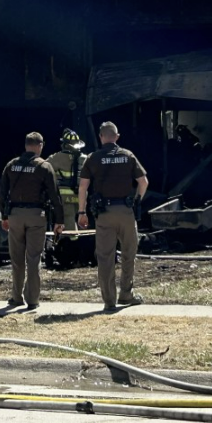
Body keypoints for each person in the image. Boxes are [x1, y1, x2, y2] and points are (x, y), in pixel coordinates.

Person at [77, 121, 148, 311]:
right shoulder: (128, 155)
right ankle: (126, 294)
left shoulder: (92, 158)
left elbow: (83, 186)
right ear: (117, 137)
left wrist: (82, 212)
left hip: (104, 213)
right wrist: (136, 202)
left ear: (101, 137)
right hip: (125, 211)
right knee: (128, 254)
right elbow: (143, 182)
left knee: (105, 257)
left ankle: (109, 301)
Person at [0, 132, 64, 310]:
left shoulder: (11, 165)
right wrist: (59, 220)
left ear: (26, 145)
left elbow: (3, 193)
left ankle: (16, 297)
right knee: (34, 258)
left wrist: (4, 216)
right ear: (40, 146)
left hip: (15, 215)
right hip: (37, 215)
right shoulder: (44, 167)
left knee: (16, 258)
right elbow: (54, 195)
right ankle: (32, 299)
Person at [47, 129, 87, 232]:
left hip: (65, 199)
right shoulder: (85, 159)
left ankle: (71, 245)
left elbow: (43, 170)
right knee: (81, 223)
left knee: (68, 225)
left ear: (64, 144)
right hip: (81, 199)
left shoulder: (56, 158)